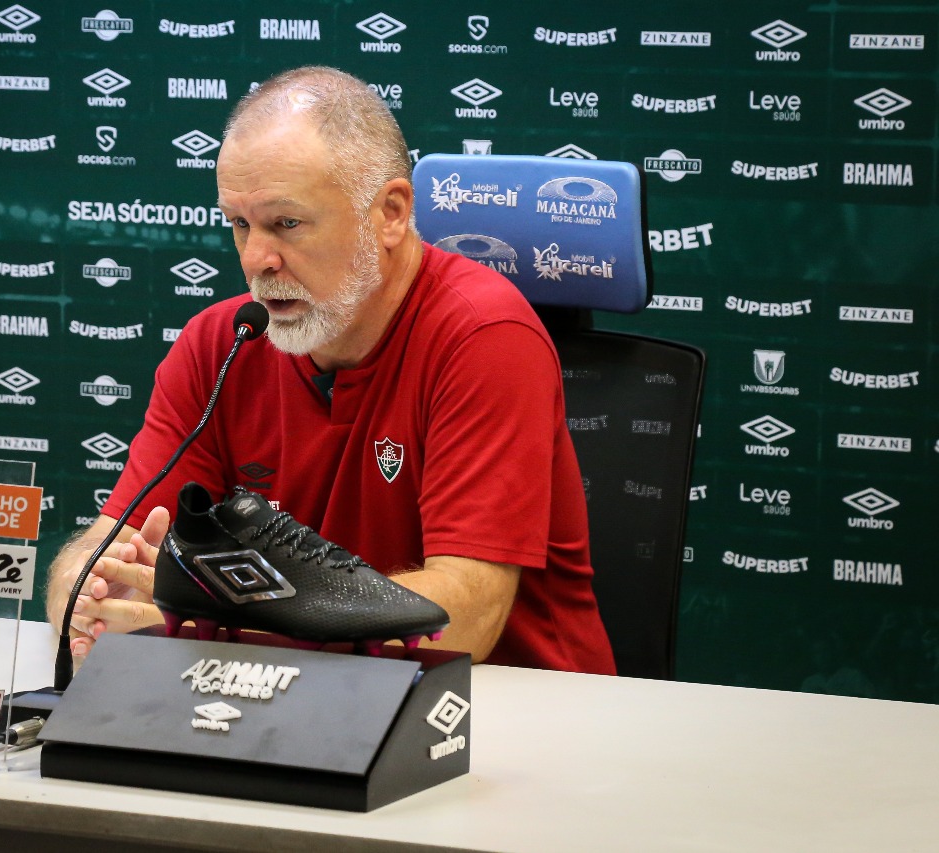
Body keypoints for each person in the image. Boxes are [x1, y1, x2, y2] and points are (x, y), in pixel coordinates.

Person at [46, 66, 615, 673]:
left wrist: (213, 630)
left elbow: (464, 624)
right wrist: (89, 594)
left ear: (391, 213)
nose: (256, 259)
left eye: (286, 224)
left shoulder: (484, 338)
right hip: (292, 706)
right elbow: (107, 548)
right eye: (240, 225)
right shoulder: (223, 342)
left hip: (509, 718)